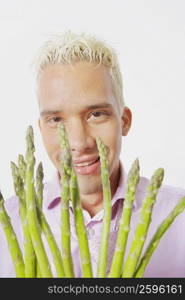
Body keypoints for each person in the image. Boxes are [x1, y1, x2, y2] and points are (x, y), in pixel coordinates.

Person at [0, 31, 185, 278]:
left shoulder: (178, 215)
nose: (78, 142)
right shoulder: (7, 224)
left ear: (125, 120)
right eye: (56, 119)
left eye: (96, 114)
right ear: (42, 128)